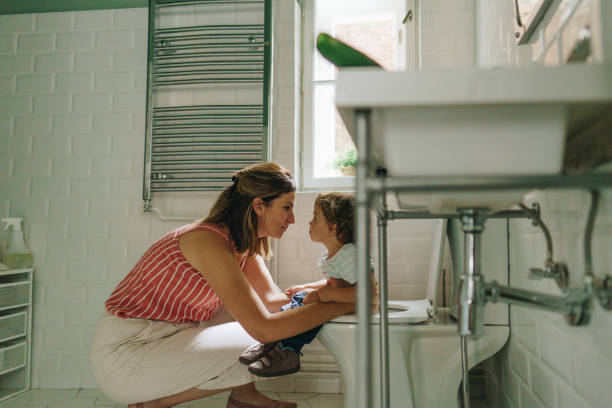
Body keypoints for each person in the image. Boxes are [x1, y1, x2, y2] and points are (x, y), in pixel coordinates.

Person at [88, 163, 355, 408]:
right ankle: (156, 404)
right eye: (287, 207)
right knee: (268, 336)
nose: (293, 218)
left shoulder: (242, 245)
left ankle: (244, 398)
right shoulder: (207, 242)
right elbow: (264, 328)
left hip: (162, 339)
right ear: (259, 206)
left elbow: (273, 301)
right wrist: (343, 305)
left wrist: (333, 288)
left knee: (263, 318)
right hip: (127, 353)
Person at [239, 192, 378, 378]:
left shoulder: (350, 255)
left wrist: (324, 296)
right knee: (300, 298)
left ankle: (289, 350)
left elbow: (369, 293)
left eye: (315, 218)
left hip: (362, 306)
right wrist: (310, 287)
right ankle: (275, 341)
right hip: (347, 300)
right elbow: (340, 281)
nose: (310, 223)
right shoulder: (340, 253)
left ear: (332, 227)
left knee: (309, 306)